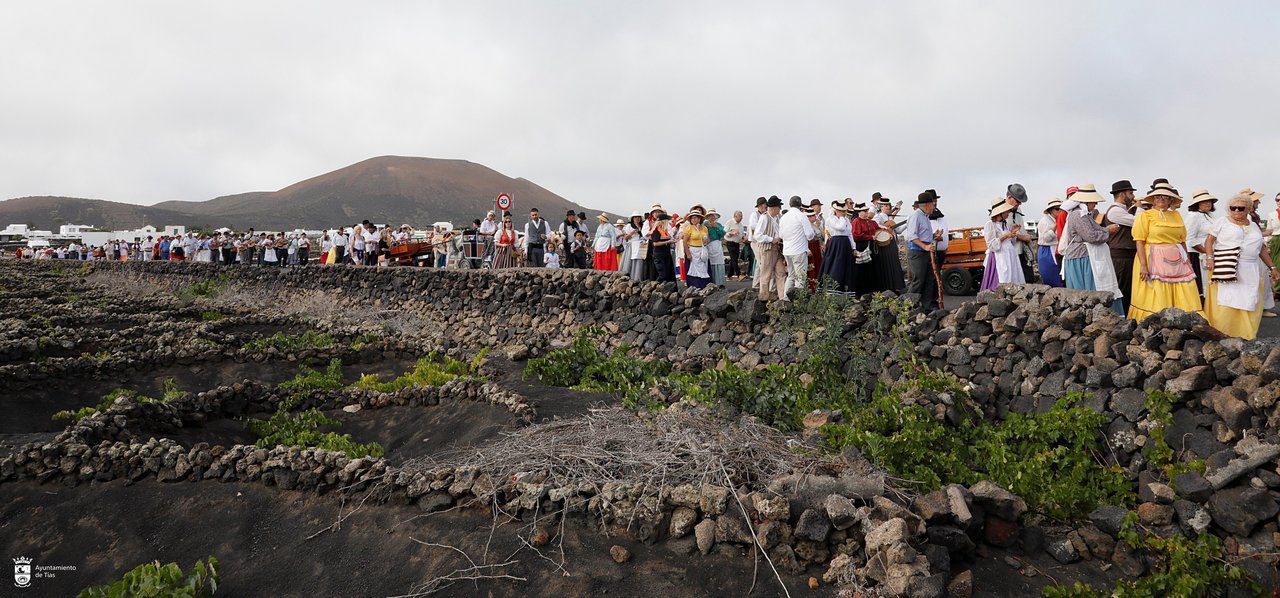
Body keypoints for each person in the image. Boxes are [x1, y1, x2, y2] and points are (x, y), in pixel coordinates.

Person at [1204, 194, 1280, 339]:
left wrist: (1272, 267)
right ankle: (1223, 336)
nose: (1237, 211)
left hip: (1250, 269)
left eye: (1241, 208)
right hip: (1227, 267)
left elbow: (1261, 249)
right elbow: (1209, 241)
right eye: (1233, 208)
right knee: (1226, 304)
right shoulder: (1222, 222)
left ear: (1248, 209)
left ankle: (1247, 336)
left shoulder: (1253, 225)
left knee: (1250, 301)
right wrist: (1209, 258)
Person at [1129, 185, 1203, 321]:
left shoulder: (1176, 216)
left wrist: (1188, 261)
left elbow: (1182, 240)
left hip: (1177, 258)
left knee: (1186, 288)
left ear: (1170, 200)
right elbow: (1139, 241)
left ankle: (1187, 320)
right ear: (1153, 199)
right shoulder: (1145, 216)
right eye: (1157, 196)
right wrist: (1143, 265)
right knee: (1156, 290)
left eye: (1165, 196)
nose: (1161, 199)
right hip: (1152, 257)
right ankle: (1157, 321)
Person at [1058, 188, 1123, 314]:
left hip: (1082, 257)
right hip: (1082, 258)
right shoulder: (1079, 215)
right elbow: (1091, 236)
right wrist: (1108, 230)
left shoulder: (1082, 214)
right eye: (1093, 201)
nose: (1095, 204)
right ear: (1086, 201)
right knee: (1087, 290)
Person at [981, 198, 1026, 290]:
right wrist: (1005, 236)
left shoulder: (1004, 224)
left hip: (1010, 256)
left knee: (1013, 277)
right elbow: (991, 245)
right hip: (1000, 258)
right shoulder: (990, 224)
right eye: (1006, 211)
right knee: (1003, 278)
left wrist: (1012, 233)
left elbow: (1010, 243)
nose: (1008, 212)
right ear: (1000, 212)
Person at [904, 192, 940, 308]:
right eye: (933, 205)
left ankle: (927, 306)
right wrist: (925, 246)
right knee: (918, 279)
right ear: (927, 205)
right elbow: (912, 236)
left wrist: (934, 235)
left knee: (929, 279)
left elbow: (923, 235)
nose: (934, 207)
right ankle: (908, 307)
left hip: (926, 250)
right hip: (917, 252)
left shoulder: (925, 217)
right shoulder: (915, 216)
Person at [1184, 190, 1218, 298]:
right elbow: (1189, 239)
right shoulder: (1194, 216)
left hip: (1210, 253)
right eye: (1204, 201)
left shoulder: (1210, 216)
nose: (1208, 203)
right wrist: (1207, 252)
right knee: (1203, 283)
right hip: (1199, 255)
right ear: (1197, 203)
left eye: (1209, 201)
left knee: (1211, 282)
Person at [752, 196, 787, 301]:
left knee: (781, 273)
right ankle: (763, 298)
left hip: (777, 250)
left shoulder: (777, 218)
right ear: (773, 208)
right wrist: (771, 239)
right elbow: (757, 235)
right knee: (765, 274)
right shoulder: (764, 217)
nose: (780, 209)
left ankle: (782, 298)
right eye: (779, 207)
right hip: (767, 249)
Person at [779, 197, 815, 299]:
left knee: (791, 275)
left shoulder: (784, 217)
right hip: (799, 250)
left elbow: (781, 235)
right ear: (800, 205)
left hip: (787, 250)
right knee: (800, 278)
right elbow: (810, 235)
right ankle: (797, 301)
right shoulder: (801, 216)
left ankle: (786, 300)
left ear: (790, 204)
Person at [818, 199, 857, 294]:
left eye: (844, 211)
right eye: (841, 211)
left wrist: (853, 247)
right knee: (835, 265)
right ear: (836, 210)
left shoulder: (847, 220)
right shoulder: (831, 219)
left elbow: (849, 234)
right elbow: (840, 227)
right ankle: (832, 289)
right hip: (836, 243)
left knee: (846, 266)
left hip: (845, 243)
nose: (843, 213)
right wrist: (842, 218)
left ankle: (846, 290)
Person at [871, 194, 907, 292]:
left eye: (888, 205)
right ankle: (886, 286)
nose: (888, 207)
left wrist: (907, 224)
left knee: (894, 264)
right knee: (886, 265)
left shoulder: (890, 218)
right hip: (885, 244)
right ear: (881, 207)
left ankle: (895, 285)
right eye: (886, 205)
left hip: (892, 243)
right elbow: (874, 224)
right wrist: (886, 227)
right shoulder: (878, 216)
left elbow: (898, 230)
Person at [1004, 183, 1037, 282]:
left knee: (1029, 280)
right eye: (1018, 201)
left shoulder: (1017, 209)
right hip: (1010, 254)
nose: (1019, 204)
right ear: (1009, 197)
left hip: (1022, 251)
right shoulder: (1001, 213)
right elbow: (1002, 234)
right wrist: (1022, 237)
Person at [678, 208, 713, 289]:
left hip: (702, 250)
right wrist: (688, 254)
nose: (693, 219)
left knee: (704, 268)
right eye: (692, 218)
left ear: (699, 218)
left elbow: (707, 239)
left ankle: (705, 287)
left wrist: (706, 240)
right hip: (693, 250)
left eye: (695, 217)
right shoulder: (689, 228)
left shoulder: (704, 228)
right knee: (693, 270)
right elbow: (685, 241)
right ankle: (695, 288)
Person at [851, 201, 879, 295]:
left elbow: (878, 228)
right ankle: (861, 291)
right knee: (861, 268)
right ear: (860, 212)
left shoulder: (870, 222)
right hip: (861, 245)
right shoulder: (856, 221)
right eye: (864, 211)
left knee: (869, 267)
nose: (866, 212)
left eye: (866, 210)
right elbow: (856, 235)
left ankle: (869, 289)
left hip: (869, 244)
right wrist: (870, 237)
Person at [1037, 199, 1065, 287]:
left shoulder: (1057, 219)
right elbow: (1046, 238)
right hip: (1048, 249)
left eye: (1061, 209)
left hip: (1055, 248)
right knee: (1051, 275)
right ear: (1051, 210)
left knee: (1058, 274)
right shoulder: (1044, 221)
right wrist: (1055, 227)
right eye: (1057, 209)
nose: (1060, 211)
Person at [926, 190, 949, 284]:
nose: (935, 203)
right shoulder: (925, 216)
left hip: (940, 251)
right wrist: (934, 236)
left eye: (935, 200)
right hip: (930, 250)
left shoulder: (941, 216)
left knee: (937, 272)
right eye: (933, 200)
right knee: (931, 274)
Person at [650, 213, 677, 282]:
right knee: (663, 275)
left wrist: (672, 241)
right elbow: (655, 243)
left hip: (666, 254)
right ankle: (653, 288)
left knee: (668, 274)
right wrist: (667, 242)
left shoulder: (665, 230)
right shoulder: (656, 230)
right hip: (659, 255)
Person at [745, 197, 767, 281]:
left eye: (763, 204)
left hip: (761, 241)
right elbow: (753, 227)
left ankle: (756, 283)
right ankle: (760, 282)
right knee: (761, 262)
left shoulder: (765, 215)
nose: (762, 206)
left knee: (759, 263)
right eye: (760, 205)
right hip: (756, 242)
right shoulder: (754, 214)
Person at [705, 209, 727, 285]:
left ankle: (719, 282)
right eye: (710, 216)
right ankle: (710, 282)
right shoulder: (705, 224)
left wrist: (717, 227)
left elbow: (723, 233)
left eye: (713, 216)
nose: (712, 217)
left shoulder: (718, 225)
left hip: (717, 244)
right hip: (709, 244)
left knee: (719, 263)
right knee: (710, 263)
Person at [622, 212, 646, 279]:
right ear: (633, 218)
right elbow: (626, 238)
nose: (637, 218)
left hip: (641, 245)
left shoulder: (642, 225)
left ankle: (638, 276)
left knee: (639, 261)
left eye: (638, 217)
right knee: (630, 261)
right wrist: (632, 233)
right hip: (632, 245)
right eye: (635, 217)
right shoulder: (629, 226)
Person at [724, 210, 744, 280]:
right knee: (734, 258)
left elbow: (742, 234)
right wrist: (731, 233)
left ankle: (729, 275)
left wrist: (743, 238)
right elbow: (725, 233)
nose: (741, 218)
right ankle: (739, 274)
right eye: (740, 216)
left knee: (734, 259)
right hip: (730, 242)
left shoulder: (741, 225)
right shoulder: (729, 222)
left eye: (742, 216)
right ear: (735, 216)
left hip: (737, 243)